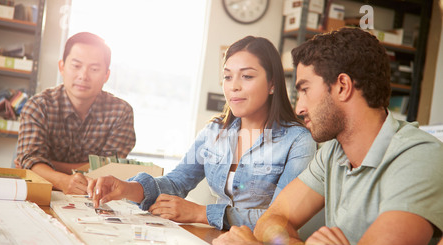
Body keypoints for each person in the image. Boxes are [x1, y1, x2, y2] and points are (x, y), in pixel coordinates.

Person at [212, 28, 443, 245]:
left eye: (305, 90)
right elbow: (272, 220)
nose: (298, 108)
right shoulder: (333, 152)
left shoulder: (419, 157)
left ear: (342, 87)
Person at [88, 36, 316, 230]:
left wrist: (202, 213)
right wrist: (128, 189)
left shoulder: (297, 141)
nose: (233, 86)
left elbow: (279, 219)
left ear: (272, 84)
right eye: (228, 76)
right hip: (217, 242)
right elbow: (177, 182)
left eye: (247, 76)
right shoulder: (215, 132)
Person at [16, 32, 136, 195]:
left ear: (106, 75)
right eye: (76, 66)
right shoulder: (38, 106)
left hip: (93, 196)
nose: (83, 76)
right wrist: (63, 181)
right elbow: (31, 164)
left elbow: (109, 168)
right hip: (36, 191)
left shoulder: (121, 113)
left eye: (94, 69)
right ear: (62, 67)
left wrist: (48, 165)